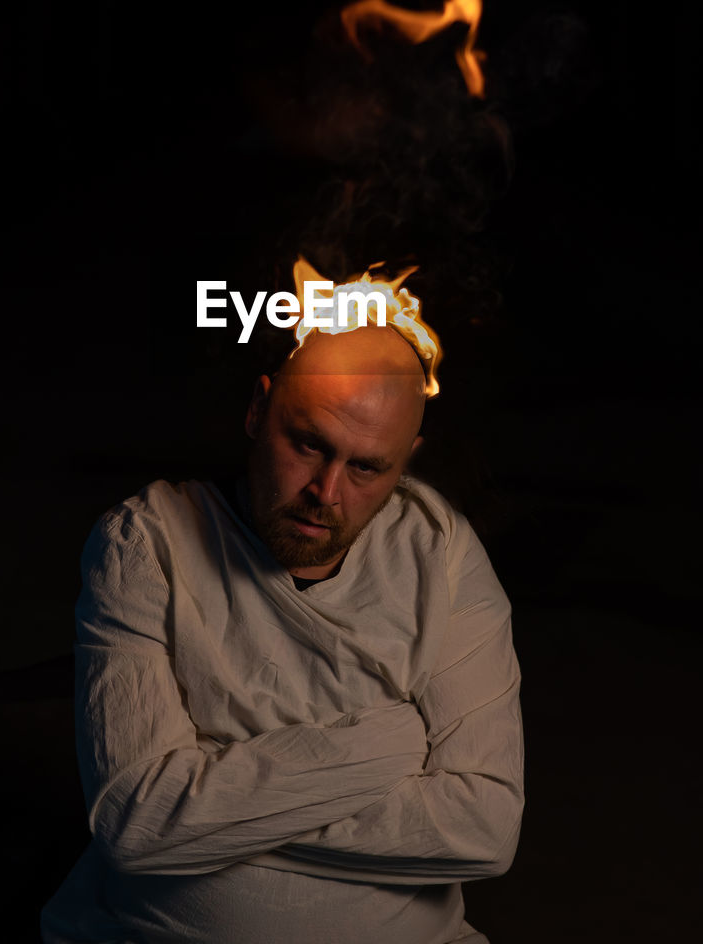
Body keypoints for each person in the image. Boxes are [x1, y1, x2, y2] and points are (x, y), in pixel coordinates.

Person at [41, 322, 524, 943]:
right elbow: (137, 824)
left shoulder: (440, 549)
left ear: (405, 461)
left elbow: (484, 830)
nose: (326, 492)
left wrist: (214, 805)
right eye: (308, 445)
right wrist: (390, 743)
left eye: (367, 468)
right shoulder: (146, 542)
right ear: (257, 409)